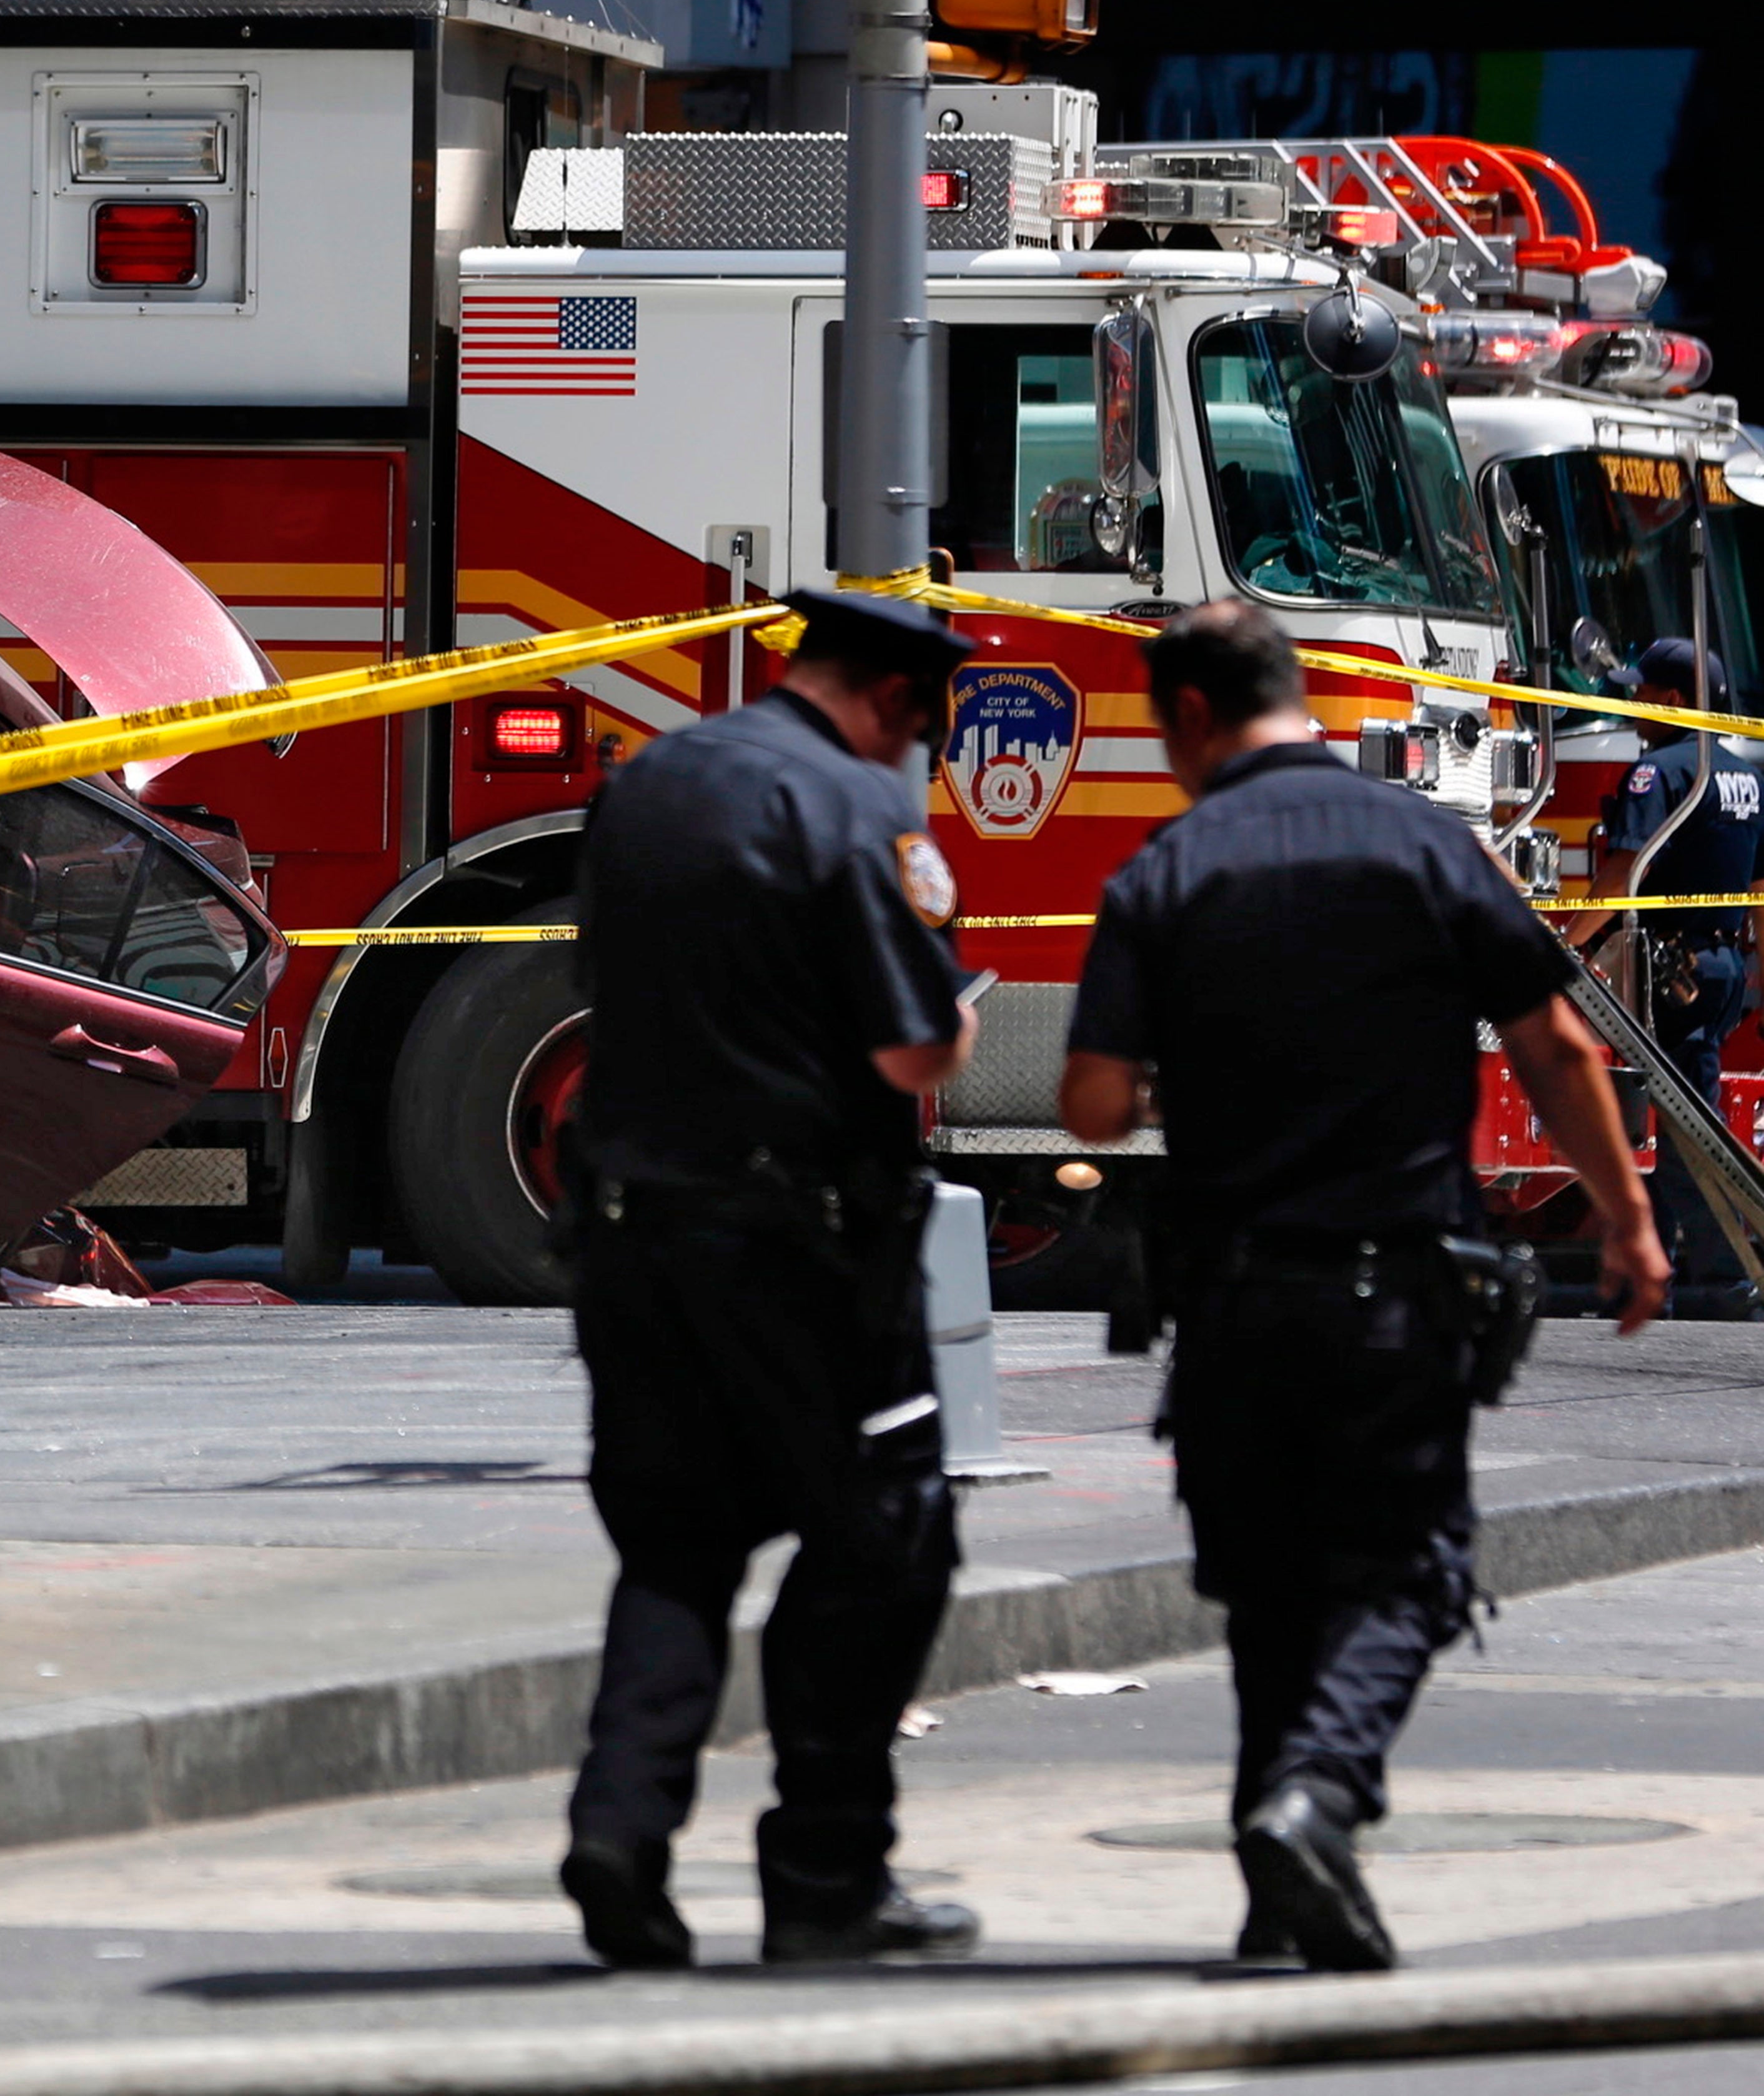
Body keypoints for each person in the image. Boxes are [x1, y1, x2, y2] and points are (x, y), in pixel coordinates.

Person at [1059, 599, 1668, 1974]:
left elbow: (1090, 1104)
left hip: (1226, 1304)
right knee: (1404, 1575)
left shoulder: (1168, 866)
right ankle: (1311, 1803)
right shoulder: (1419, 846)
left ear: (1198, 719)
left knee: (1272, 1592)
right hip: (1394, 1290)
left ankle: (1283, 1884)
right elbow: (1559, 1049)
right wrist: (1628, 1223)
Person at [560, 585, 984, 1970]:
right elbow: (914, 1055)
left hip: (629, 1232)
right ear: (894, 700)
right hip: (798, 1252)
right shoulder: (857, 813)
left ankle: (621, 1828)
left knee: (677, 1545)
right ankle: (825, 1881)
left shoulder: (654, 782)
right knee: (882, 1540)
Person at [1567, 638, 1764, 1321]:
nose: (1632, 702)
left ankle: (1720, 1279)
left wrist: (1568, 946)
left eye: (1641, 691)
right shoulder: (1746, 773)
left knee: (1683, 1130)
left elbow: (1621, 872)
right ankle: (1674, 1270)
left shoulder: (1659, 773)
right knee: (1680, 1118)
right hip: (1724, 968)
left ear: (1674, 700)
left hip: (1670, 970)